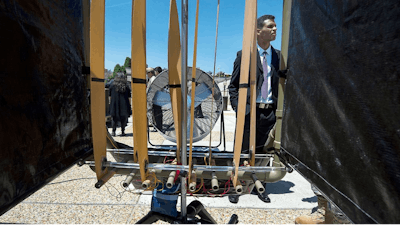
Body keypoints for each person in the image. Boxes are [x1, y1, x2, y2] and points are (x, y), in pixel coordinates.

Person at [228, 14, 280, 204]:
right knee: (242, 151)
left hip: (269, 114)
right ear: (259, 31)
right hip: (250, 112)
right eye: (271, 26)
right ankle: (236, 186)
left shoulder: (279, 57)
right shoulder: (245, 55)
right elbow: (233, 86)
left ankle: (260, 187)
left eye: (276, 27)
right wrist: (239, 109)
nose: (275, 30)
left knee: (264, 153)